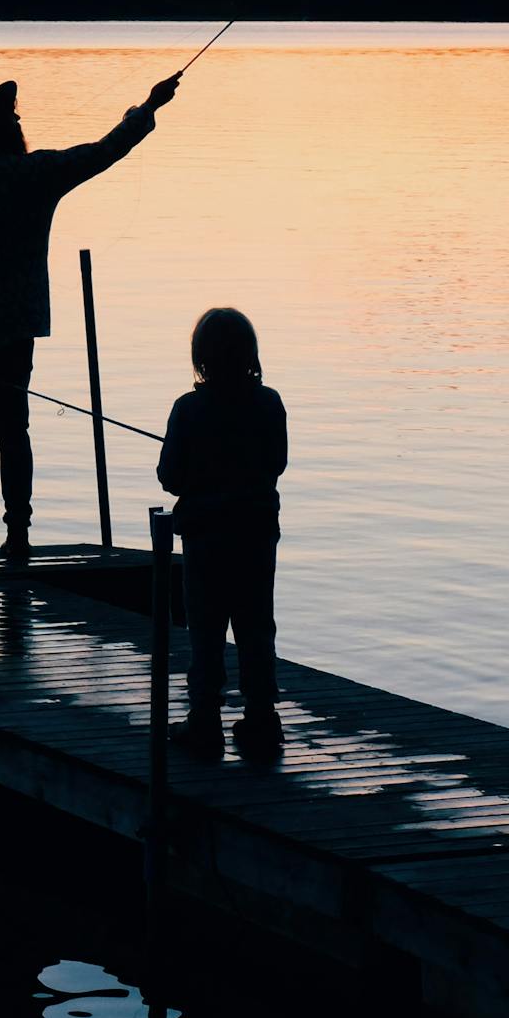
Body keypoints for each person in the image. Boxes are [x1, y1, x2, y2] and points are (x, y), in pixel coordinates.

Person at [0, 72, 178, 568]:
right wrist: (148, 107)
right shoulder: (37, 174)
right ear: (8, 127)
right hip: (13, 332)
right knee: (13, 433)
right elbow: (105, 150)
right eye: (16, 116)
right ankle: (18, 537)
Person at [157, 306, 287, 756]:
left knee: (206, 629)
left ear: (202, 358)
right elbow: (277, 464)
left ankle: (205, 720)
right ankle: (261, 718)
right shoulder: (269, 403)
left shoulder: (188, 409)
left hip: (206, 537)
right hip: (255, 536)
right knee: (255, 627)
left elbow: (170, 477)